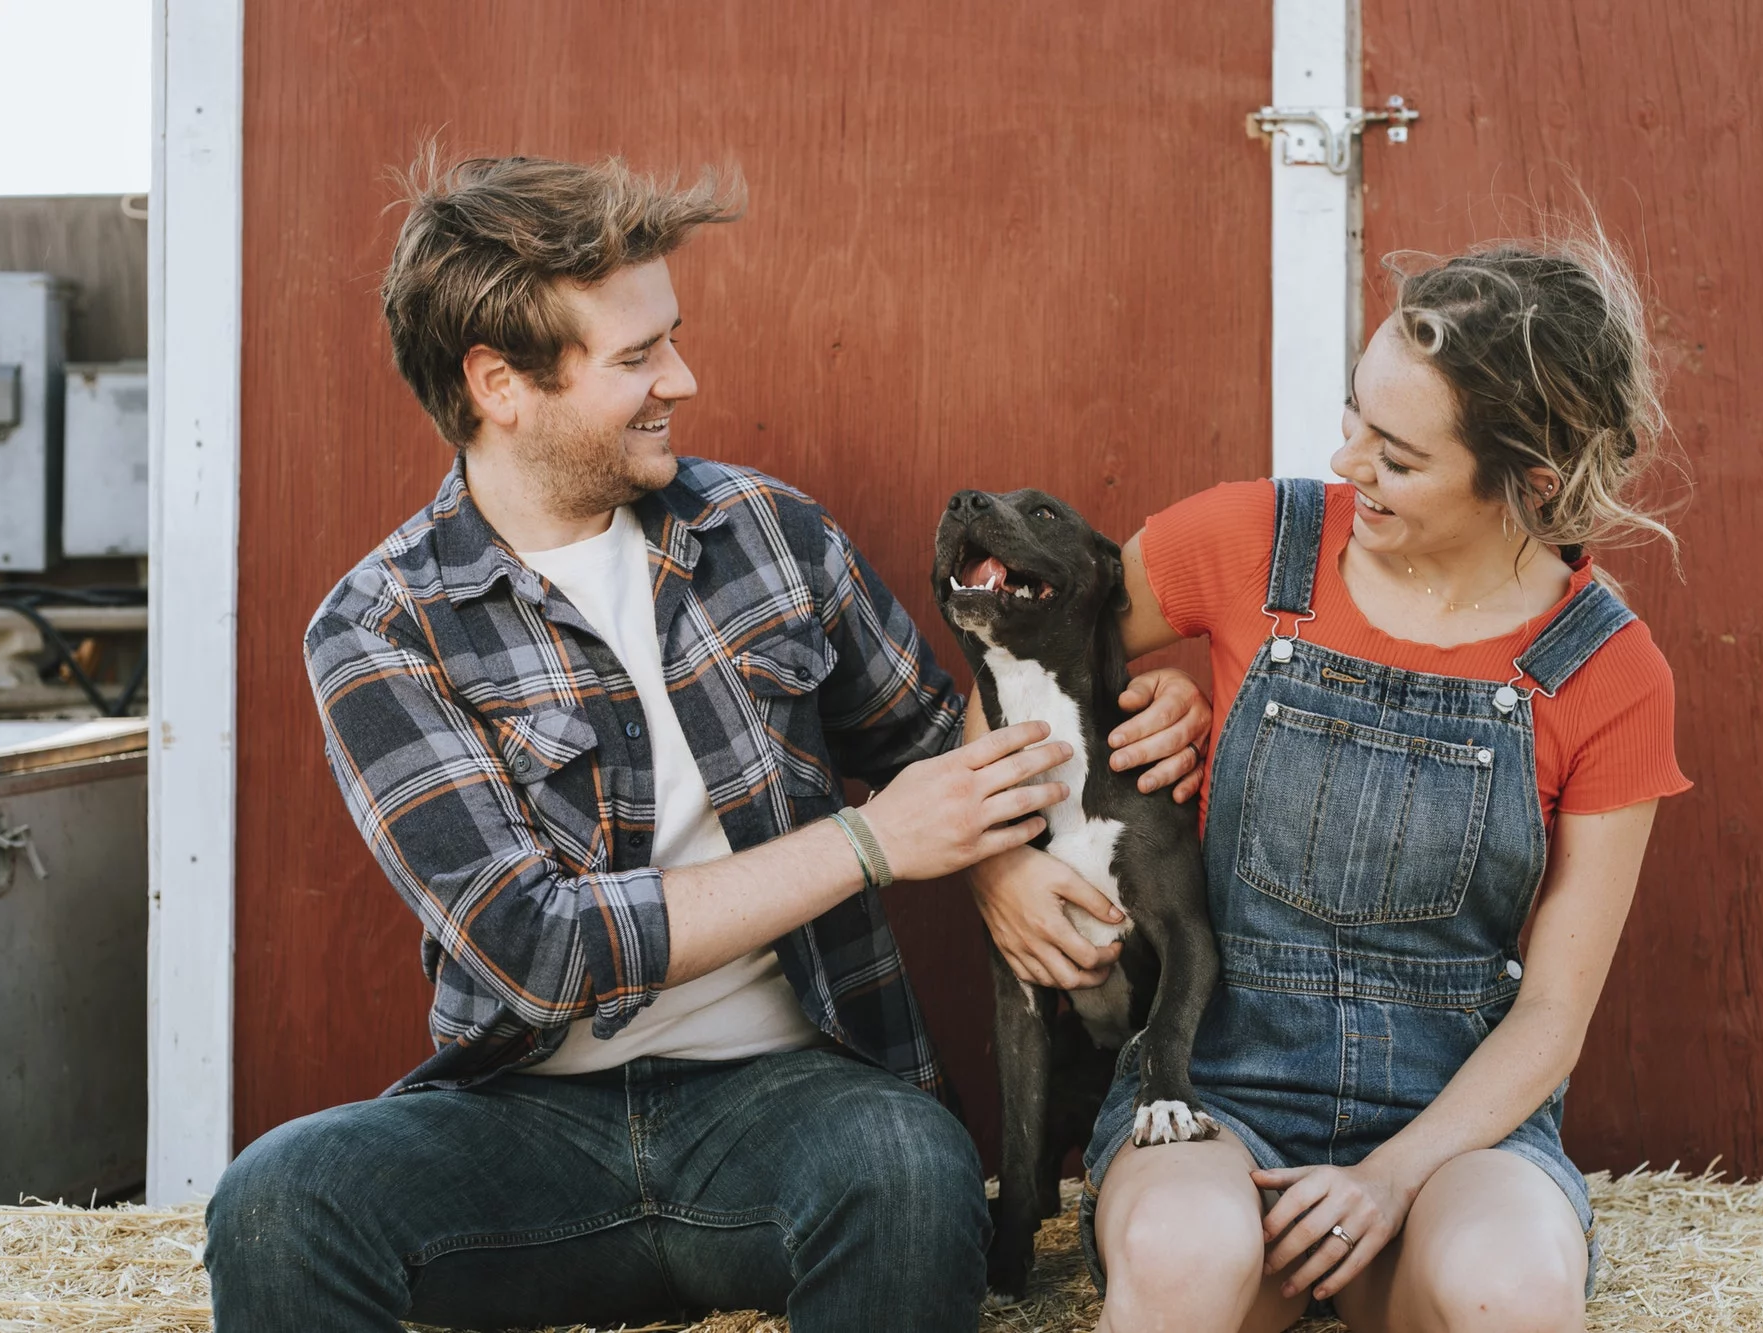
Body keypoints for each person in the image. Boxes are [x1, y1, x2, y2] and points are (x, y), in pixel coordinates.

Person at [200, 153, 1209, 1333]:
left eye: (668, 338)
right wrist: (871, 844)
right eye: (636, 357)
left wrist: (1118, 724)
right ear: (499, 383)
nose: (680, 377)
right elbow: (536, 945)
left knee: (910, 1172)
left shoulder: (765, 534)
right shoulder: (380, 626)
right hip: (525, 1123)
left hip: (790, 1102)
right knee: (274, 1203)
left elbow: (943, 750)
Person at [970, 238, 1691, 1332]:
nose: (1347, 459)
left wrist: (1391, 1178)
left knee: (1517, 1287)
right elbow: (1015, 665)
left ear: (1527, 482)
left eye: (1396, 456)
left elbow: (1550, 1012)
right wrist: (996, 864)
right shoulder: (1254, 540)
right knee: (1177, 1259)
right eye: (1353, 415)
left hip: (1457, 1122)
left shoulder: (1604, 671)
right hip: (1209, 1088)